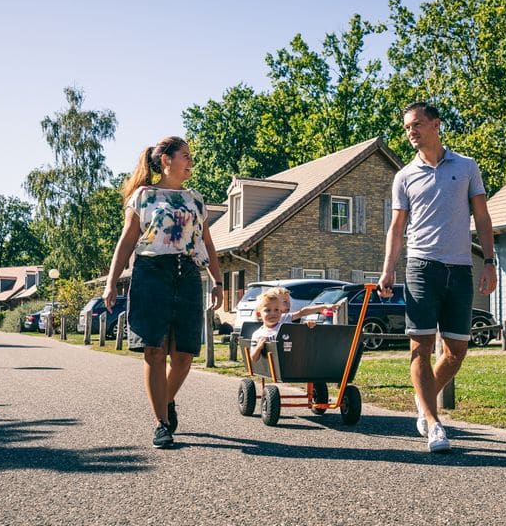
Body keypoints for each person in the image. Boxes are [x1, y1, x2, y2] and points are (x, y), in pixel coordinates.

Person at [378, 102, 497, 453]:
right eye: (406, 127)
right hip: (421, 267)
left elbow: (484, 218)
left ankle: (423, 398)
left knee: (457, 350)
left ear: (435, 125)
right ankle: (433, 423)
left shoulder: (466, 167)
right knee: (421, 347)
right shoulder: (404, 176)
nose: (410, 132)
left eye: (416, 125)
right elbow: (397, 228)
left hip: (460, 267)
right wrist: (388, 270)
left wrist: (489, 262)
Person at [104, 136, 224, 449]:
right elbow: (127, 241)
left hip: (187, 274)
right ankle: (161, 423)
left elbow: (208, 245)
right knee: (154, 351)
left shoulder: (195, 199)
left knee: (183, 355)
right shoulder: (143, 196)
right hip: (151, 273)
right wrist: (111, 281)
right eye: (185, 156)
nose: (191, 163)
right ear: (166, 160)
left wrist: (218, 281)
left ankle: (165, 401)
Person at [247, 289, 339, 360]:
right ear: (259, 314)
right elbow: (254, 358)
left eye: (276, 310)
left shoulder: (284, 322)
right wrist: (259, 346)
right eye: (268, 310)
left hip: (293, 359)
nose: (273, 314)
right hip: (277, 363)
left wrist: (306, 326)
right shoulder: (258, 334)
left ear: (280, 311)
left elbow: (302, 313)